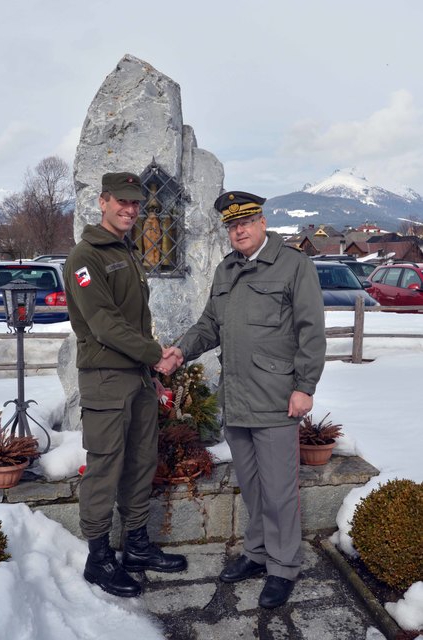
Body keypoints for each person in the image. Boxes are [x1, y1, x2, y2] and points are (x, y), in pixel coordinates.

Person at [165, 190, 326, 608]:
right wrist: (181, 350)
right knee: (253, 487)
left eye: (246, 222)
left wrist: (304, 387)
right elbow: (209, 325)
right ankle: (257, 554)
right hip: (237, 400)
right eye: (232, 225)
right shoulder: (226, 270)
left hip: (276, 399)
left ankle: (284, 565)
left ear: (263, 223)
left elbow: (311, 330)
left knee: (279, 489)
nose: (238, 230)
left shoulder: (294, 265)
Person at [64, 172, 187, 599]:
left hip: (136, 376)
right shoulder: (85, 257)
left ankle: (135, 546)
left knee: (139, 459)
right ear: (103, 201)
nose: (131, 210)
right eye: (122, 202)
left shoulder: (127, 250)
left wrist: (151, 362)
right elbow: (104, 324)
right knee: (105, 467)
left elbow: (135, 321)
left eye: (136, 204)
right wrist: (158, 355)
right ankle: (99, 558)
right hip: (105, 380)